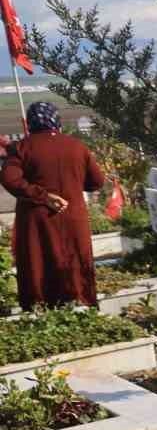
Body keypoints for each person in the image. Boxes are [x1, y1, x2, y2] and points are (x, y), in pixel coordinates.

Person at [1, 102, 104, 310]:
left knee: (38, 263)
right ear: (56, 120)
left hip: (36, 220)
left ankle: (40, 310)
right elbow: (96, 182)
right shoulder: (77, 146)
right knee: (75, 259)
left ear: (31, 122)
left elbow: (9, 179)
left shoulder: (22, 147)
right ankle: (80, 305)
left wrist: (42, 195)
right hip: (73, 216)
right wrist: (73, 182)